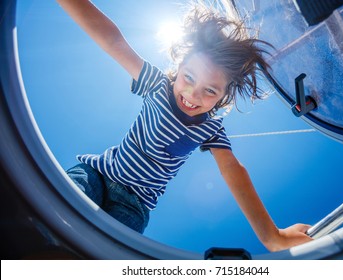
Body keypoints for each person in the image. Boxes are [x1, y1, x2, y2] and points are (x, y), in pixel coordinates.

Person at [57, 0, 312, 252]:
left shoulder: (211, 128)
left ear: (223, 96)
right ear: (179, 68)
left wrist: (272, 236)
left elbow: (232, 169)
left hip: (133, 205)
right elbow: (113, 41)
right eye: (189, 77)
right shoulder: (156, 85)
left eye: (210, 90)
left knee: (95, 255)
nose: (192, 94)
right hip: (97, 175)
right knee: (57, 220)